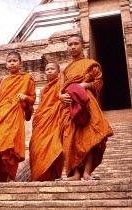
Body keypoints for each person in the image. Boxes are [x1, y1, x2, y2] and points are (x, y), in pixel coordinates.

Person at [59, 35, 113, 181]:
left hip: (86, 102)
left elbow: (98, 83)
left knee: (89, 138)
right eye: (70, 44)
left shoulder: (91, 64)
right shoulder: (65, 68)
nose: (73, 47)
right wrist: (60, 96)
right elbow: (61, 88)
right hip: (69, 104)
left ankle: (86, 173)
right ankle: (75, 174)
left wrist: (83, 86)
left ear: (83, 46)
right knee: (71, 138)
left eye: (76, 43)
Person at [0, 51, 36, 182]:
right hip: (0, 114)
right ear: (6, 64)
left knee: (11, 146)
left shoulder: (26, 78)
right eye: (10, 61)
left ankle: (9, 176)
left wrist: (25, 97)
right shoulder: (1, 81)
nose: (12, 63)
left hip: (15, 114)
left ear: (21, 63)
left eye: (15, 61)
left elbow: (32, 98)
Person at [29, 62, 64, 181]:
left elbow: (63, 101)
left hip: (55, 119)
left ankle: (53, 175)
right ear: (44, 73)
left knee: (54, 146)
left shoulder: (61, 84)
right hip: (42, 120)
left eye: (52, 69)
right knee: (36, 147)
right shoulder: (43, 90)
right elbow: (42, 105)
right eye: (47, 69)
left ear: (59, 71)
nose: (49, 71)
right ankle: (40, 175)